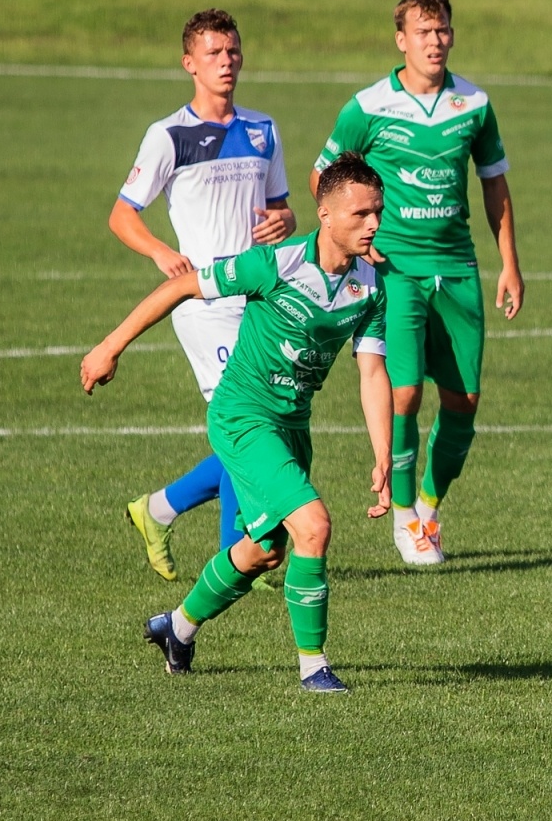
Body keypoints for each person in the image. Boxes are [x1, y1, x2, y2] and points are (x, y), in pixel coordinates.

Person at [82, 155, 392, 693]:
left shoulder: (371, 286)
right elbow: (181, 288)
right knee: (314, 527)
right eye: (361, 214)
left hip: (292, 425)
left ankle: (176, 628)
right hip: (243, 416)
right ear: (324, 213)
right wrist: (110, 347)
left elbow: (372, 371)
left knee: (263, 550)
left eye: (378, 213)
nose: (374, 225)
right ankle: (313, 668)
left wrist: (383, 454)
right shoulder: (274, 264)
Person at [310, 0, 523, 566]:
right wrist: (354, 239)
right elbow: (322, 176)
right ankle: (404, 516)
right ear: (401, 39)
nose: (435, 41)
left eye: (443, 30)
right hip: (395, 272)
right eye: (423, 32)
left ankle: (429, 505)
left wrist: (509, 262)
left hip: (456, 270)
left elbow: (495, 185)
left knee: (464, 399)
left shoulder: (474, 104)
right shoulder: (369, 106)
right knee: (404, 393)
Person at [112, 8, 296, 582]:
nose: (227, 61)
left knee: (257, 428)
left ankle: (160, 510)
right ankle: (237, 557)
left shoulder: (264, 129)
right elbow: (122, 216)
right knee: (247, 428)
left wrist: (283, 222)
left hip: (260, 301)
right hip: (203, 305)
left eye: (233, 51)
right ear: (189, 63)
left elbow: (282, 207)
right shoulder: (169, 135)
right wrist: (160, 254)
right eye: (214, 53)